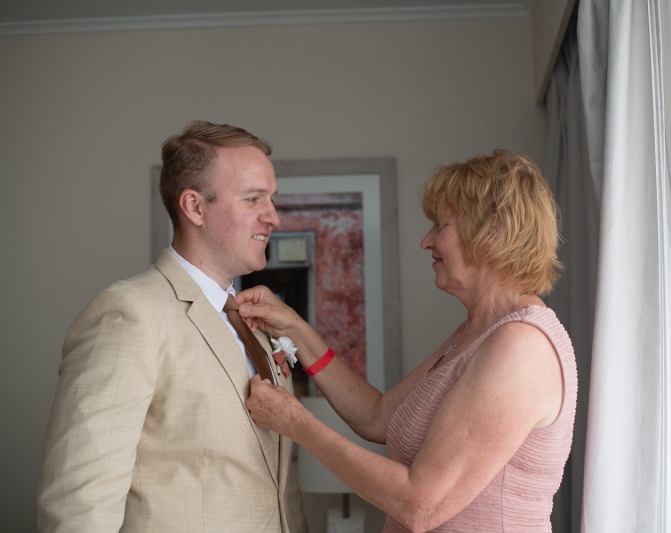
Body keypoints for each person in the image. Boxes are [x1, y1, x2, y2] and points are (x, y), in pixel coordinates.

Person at [240, 149, 578, 532]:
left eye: (440, 225)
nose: (426, 241)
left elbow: (421, 506)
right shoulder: (477, 331)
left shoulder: (522, 346)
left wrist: (297, 423)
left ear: (492, 232)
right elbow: (377, 416)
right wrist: (294, 329)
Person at [36, 120, 308, 533]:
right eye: (254, 199)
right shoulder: (130, 314)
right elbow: (79, 504)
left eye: (271, 199)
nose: (273, 217)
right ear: (195, 207)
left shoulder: (257, 325)